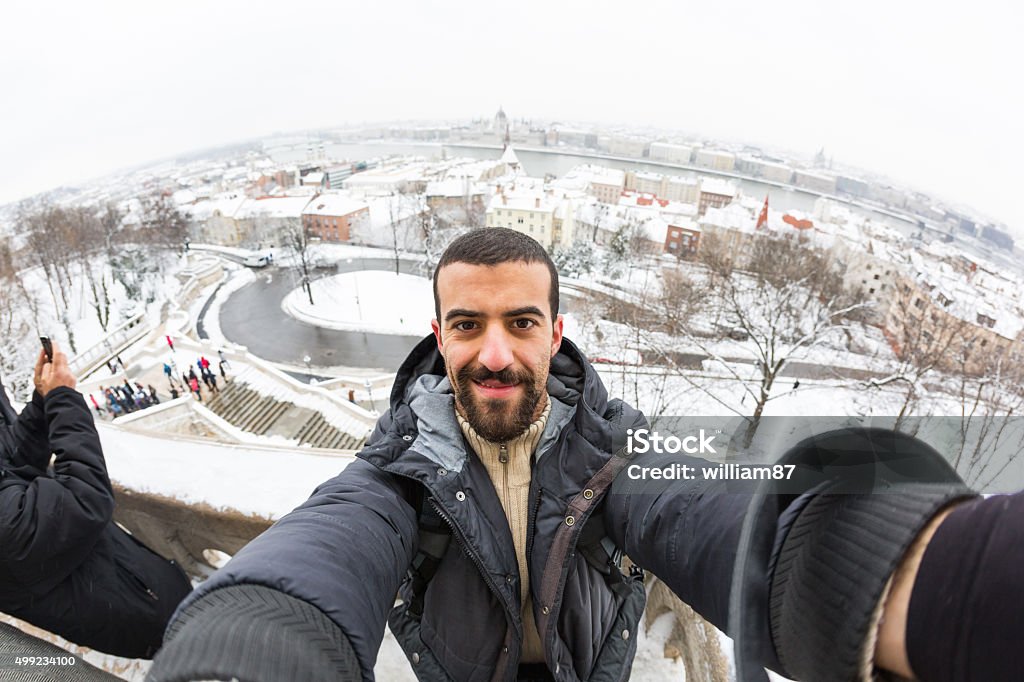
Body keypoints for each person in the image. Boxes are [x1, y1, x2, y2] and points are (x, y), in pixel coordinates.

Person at [149, 230, 986, 682]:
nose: (496, 355)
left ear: (556, 334)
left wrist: (934, 580)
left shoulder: (614, 445)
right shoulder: (400, 462)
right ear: (438, 339)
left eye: (520, 323)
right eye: (468, 326)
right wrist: (251, 640)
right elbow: (339, 532)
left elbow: (696, 507)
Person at [0, 341, 191, 659]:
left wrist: (42, 401)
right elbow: (82, 500)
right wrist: (63, 402)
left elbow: (12, 459)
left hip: (127, 576)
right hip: (133, 614)